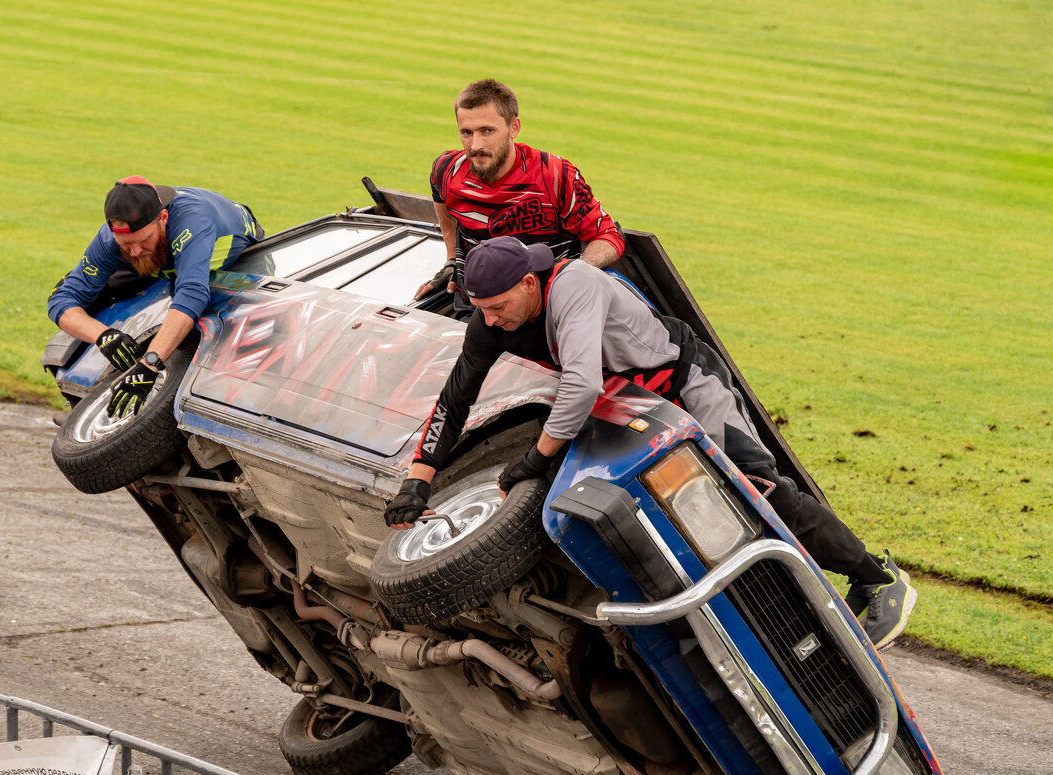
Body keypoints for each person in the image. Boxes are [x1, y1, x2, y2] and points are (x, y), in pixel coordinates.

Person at [386, 236, 918, 649]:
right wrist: (417, 483)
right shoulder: (492, 318)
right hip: (634, 410)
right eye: (482, 309)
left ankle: (878, 578)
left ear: (530, 282)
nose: (491, 319)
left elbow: (581, 384)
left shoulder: (574, 286)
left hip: (685, 385)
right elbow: (454, 400)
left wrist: (533, 460)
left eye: (499, 305)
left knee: (757, 491)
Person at [48, 176, 262, 417]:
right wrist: (103, 336)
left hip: (237, 258)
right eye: (125, 244)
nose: (136, 252)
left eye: (142, 240)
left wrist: (149, 364)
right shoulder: (110, 240)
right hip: (163, 260)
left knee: (217, 320)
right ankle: (80, 396)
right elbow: (62, 299)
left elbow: (192, 294)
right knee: (87, 293)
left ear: (163, 218)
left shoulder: (193, 223)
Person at [414, 79, 626, 311]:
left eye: (488, 131)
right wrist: (452, 260)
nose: (475, 145)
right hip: (475, 307)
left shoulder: (554, 175)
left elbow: (608, 236)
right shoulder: (445, 170)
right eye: (466, 132)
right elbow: (445, 213)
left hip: (543, 312)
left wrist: (571, 277)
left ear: (514, 128)